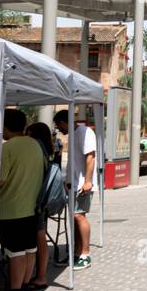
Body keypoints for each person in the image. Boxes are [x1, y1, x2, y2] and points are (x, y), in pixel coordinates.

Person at [0, 109, 46, 291]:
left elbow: (0, 180)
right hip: (30, 208)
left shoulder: (7, 148)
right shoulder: (35, 145)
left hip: (9, 210)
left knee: (15, 254)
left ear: (5, 126)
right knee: (29, 251)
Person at [54, 109, 96, 271]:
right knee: (74, 217)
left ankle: (85, 253)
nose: (60, 130)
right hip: (73, 183)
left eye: (59, 126)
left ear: (65, 122)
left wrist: (87, 181)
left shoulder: (85, 132)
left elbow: (90, 157)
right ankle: (77, 253)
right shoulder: (75, 134)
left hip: (82, 185)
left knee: (79, 216)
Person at [25, 122, 57, 291]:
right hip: (41, 199)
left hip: (34, 200)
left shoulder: (35, 147)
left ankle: (39, 277)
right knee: (40, 237)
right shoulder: (46, 149)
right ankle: (39, 275)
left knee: (38, 238)